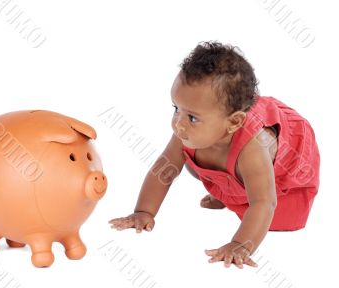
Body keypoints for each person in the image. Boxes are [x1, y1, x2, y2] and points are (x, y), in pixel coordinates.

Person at [109, 41, 320, 269]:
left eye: (191, 117)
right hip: (227, 152)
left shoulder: (253, 148)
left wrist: (241, 245)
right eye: (176, 108)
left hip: (285, 167)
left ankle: (235, 192)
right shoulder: (188, 131)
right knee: (189, 159)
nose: (178, 124)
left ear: (234, 122)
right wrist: (143, 212)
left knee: (274, 213)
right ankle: (228, 192)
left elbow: (264, 202)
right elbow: (163, 171)